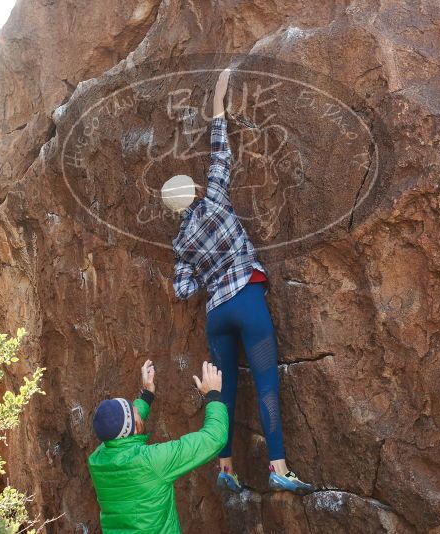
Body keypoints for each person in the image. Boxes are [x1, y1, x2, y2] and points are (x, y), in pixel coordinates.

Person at [161, 68, 313, 495]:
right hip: (246, 299)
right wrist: (220, 95)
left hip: (216, 316)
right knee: (265, 384)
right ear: (193, 191)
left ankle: (226, 469)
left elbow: (183, 290)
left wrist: (200, 267)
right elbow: (220, 148)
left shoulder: (181, 241)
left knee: (224, 394)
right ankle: (278, 467)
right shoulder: (212, 200)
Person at [88, 360, 227, 533]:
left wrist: (146, 394)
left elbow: (124, 427)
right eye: (135, 411)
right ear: (135, 426)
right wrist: (213, 395)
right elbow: (214, 438)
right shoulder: (151, 462)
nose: (137, 408)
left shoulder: (97, 460)